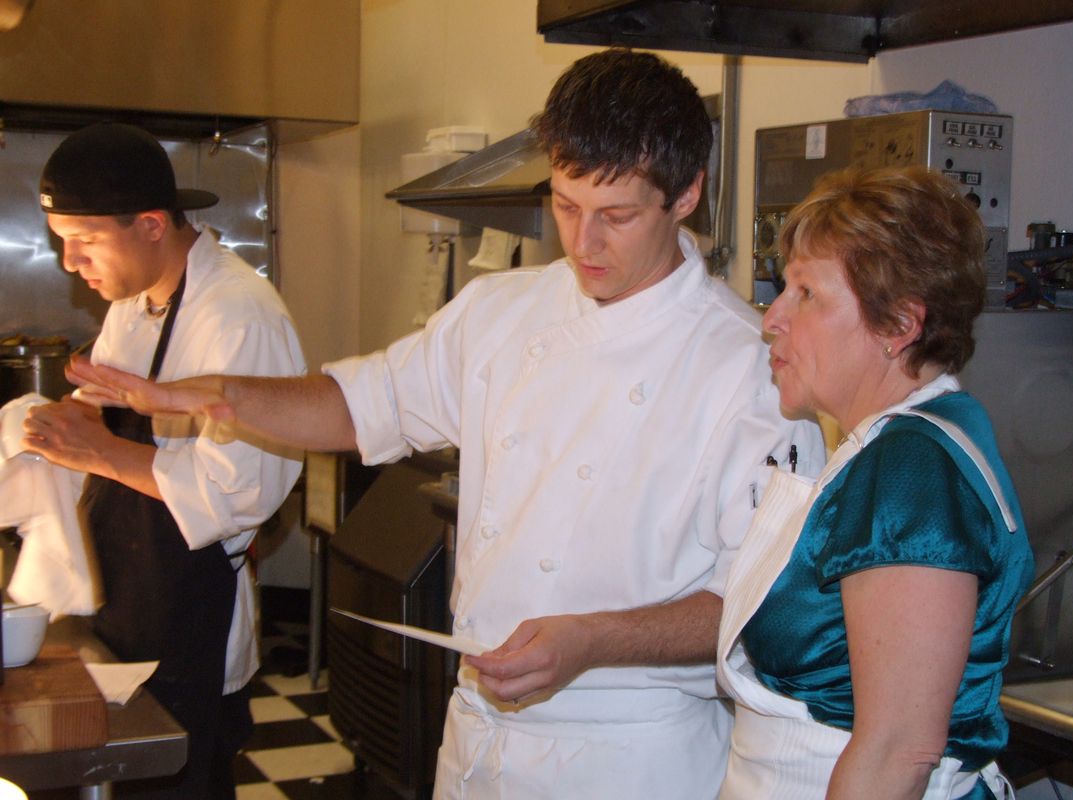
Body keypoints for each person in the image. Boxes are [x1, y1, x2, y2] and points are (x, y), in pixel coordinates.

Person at [63, 49, 825, 799]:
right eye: (565, 204)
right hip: (478, 736)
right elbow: (362, 404)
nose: (582, 243)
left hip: (630, 756)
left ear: (687, 194)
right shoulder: (504, 312)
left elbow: (758, 603)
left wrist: (592, 640)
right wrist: (212, 395)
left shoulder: (750, 370)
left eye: (616, 216)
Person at [716, 166, 1035, 800]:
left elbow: (898, 752)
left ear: (898, 326)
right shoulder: (895, 439)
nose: (771, 319)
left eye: (806, 294)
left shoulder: (910, 467)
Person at [23, 123, 306, 798]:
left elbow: (240, 494)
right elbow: (107, 396)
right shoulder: (134, 303)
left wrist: (102, 450)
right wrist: (69, 419)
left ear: (151, 224)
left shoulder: (238, 316)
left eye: (84, 241)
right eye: (64, 241)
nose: (70, 263)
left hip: (191, 618)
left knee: (183, 781)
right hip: (132, 599)